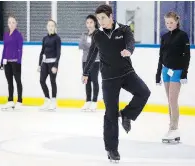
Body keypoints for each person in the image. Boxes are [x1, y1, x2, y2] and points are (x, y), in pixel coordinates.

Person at [82, 5, 151, 161]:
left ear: (111, 16)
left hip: (127, 72)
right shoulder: (97, 35)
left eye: (103, 18)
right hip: (108, 78)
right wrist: (86, 72)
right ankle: (112, 149)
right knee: (111, 114)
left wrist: (129, 51)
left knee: (144, 92)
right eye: (98, 19)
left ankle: (127, 114)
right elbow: (92, 53)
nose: (100, 22)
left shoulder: (124, 30)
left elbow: (130, 42)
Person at [156, 12, 190, 142]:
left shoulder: (183, 36)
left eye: (171, 22)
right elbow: (161, 56)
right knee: (169, 101)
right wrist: (158, 74)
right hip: (166, 70)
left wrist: (184, 73)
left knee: (173, 100)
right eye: (167, 23)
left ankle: (174, 128)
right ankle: (171, 128)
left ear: (176, 22)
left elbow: (186, 56)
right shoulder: (164, 37)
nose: (169, 25)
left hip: (177, 71)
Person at [0, 15, 23, 110]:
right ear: (8, 24)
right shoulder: (6, 35)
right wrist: (2, 61)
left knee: (17, 81)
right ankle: (10, 100)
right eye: (10, 22)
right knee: (9, 82)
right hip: (7, 62)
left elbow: (20, 49)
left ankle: (19, 101)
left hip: (15, 62)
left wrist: (19, 61)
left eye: (13, 22)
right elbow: (4, 48)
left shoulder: (18, 35)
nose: (11, 24)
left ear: (16, 24)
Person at [38, 19, 61, 111]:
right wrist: (39, 64)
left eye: (52, 26)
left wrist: (56, 66)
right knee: (41, 81)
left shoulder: (57, 38)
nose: (50, 27)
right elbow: (42, 52)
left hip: (53, 64)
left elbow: (59, 53)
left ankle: (53, 101)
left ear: (55, 27)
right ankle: (47, 99)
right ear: (47, 27)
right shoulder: (45, 38)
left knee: (52, 81)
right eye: (49, 26)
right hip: (45, 63)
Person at [79, 15, 100, 111]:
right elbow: (81, 46)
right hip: (85, 60)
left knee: (94, 80)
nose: (89, 24)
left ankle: (94, 101)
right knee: (86, 81)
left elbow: (97, 47)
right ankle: (88, 101)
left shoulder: (98, 34)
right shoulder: (84, 34)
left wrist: (89, 46)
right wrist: (91, 45)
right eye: (87, 23)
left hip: (95, 60)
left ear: (95, 23)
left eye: (91, 22)